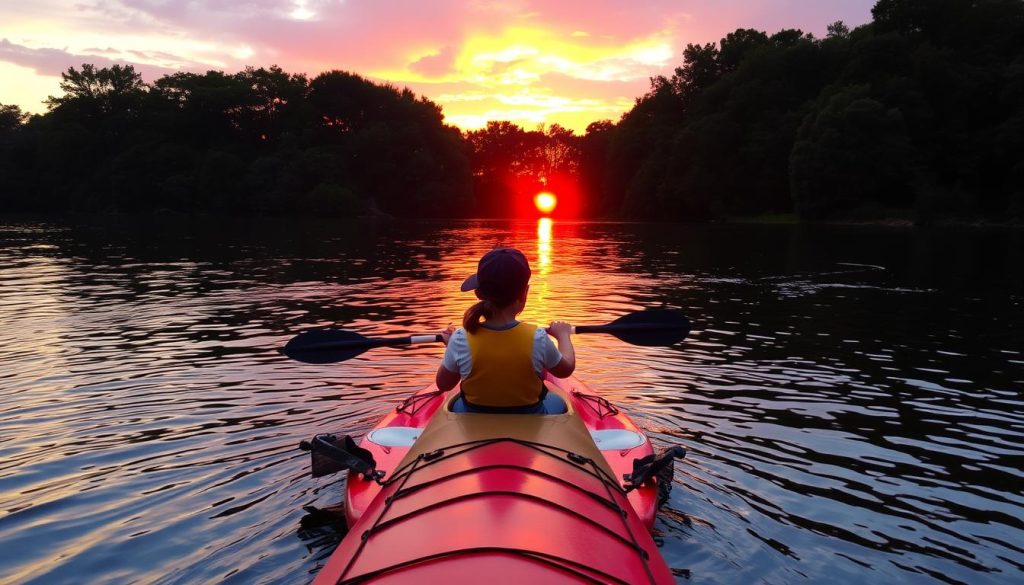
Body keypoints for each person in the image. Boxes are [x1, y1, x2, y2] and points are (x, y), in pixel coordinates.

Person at [435, 247, 575, 414]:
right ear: (525, 293)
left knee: (456, 401)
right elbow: (565, 370)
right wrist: (563, 335)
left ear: (478, 293)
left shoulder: (460, 338)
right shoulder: (537, 337)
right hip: (528, 415)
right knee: (556, 401)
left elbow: (444, 385)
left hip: (475, 415)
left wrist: (451, 346)